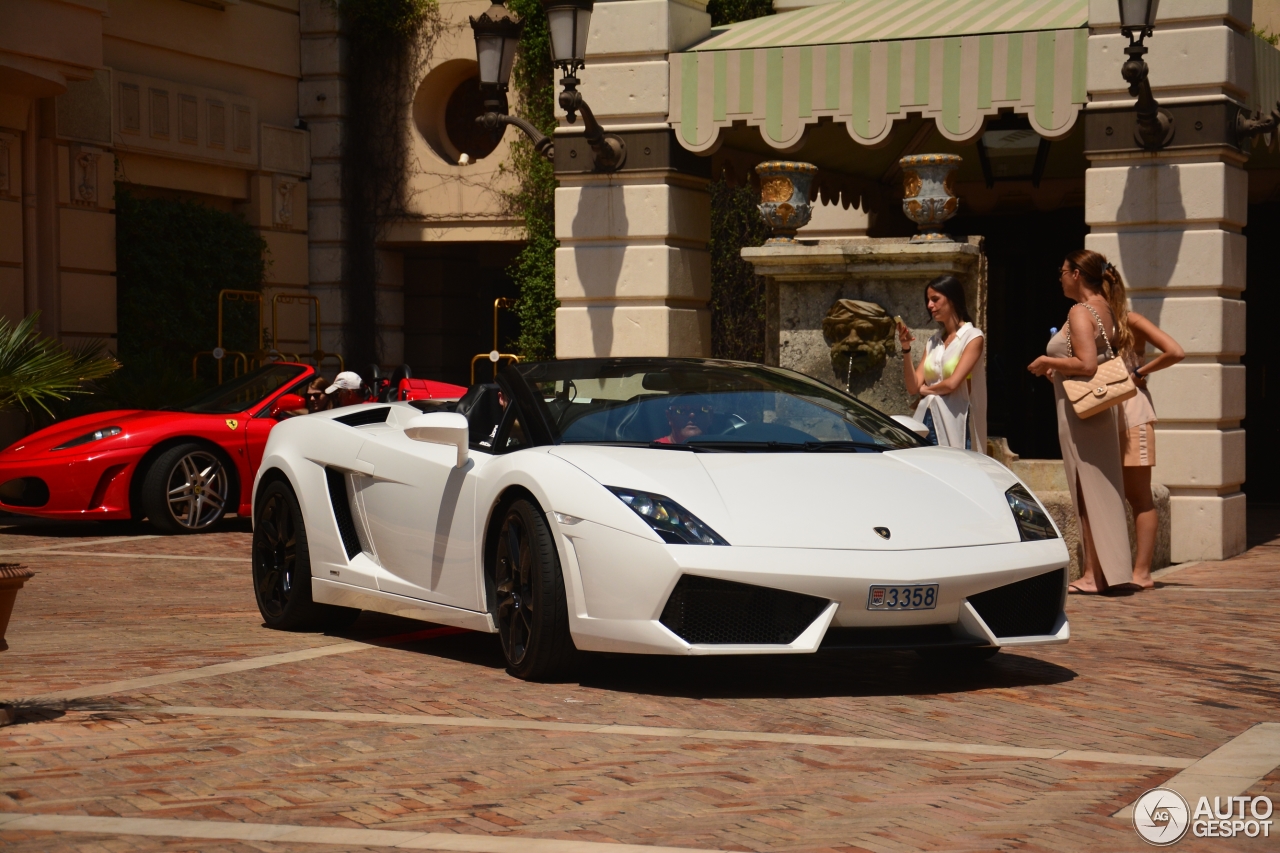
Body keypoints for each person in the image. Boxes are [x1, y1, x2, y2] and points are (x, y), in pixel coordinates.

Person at [1027, 250, 1134, 595]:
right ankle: (1108, 570)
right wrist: (1057, 369)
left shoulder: (1080, 310)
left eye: (1063, 271)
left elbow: (1087, 364)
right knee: (1102, 486)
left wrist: (1048, 360)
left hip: (1080, 414)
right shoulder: (1106, 306)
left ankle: (1093, 574)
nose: (1060, 277)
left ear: (1076, 274)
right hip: (1094, 409)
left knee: (1086, 489)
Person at [1120, 312, 1184, 589]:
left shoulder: (1128, 319)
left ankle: (1142, 572)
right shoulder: (1085, 319)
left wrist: (1139, 372)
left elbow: (1175, 351)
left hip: (1132, 412)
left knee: (1139, 496)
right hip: (1099, 416)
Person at [897, 275, 986, 449]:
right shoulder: (933, 341)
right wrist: (906, 348)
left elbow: (952, 384)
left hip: (957, 421)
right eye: (928, 300)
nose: (930, 305)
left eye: (935, 299)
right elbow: (912, 387)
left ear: (952, 299)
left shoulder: (973, 337)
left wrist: (926, 390)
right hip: (928, 416)